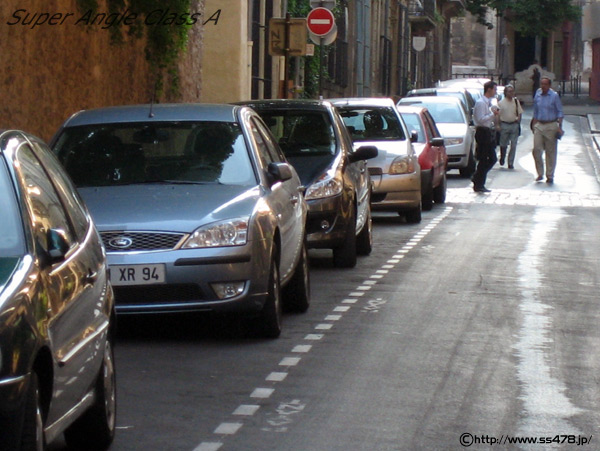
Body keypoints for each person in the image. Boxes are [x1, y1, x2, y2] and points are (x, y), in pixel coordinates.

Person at [531, 77, 564, 184]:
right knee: (536, 149)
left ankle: (550, 175)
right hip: (539, 124)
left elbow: (559, 112)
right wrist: (534, 123)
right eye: (542, 84)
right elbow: (535, 110)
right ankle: (540, 173)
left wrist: (559, 127)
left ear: (549, 85)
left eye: (545, 84)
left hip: (551, 124)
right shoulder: (538, 94)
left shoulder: (554, 96)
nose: (543, 86)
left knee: (550, 151)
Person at [471, 80, 499, 193]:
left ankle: (477, 178)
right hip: (482, 131)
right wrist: (493, 115)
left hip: (487, 131)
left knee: (491, 158)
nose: (495, 92)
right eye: (494, 89)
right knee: (484, 158)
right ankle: (479, 182)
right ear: (489, 89)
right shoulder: (481, 103)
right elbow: (481, 119)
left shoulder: (487, 102)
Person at [497, 84, 523, 169]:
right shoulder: (501, 103)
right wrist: (498, 125)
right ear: (505, 92)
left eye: (512, 91)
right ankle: (503, 157)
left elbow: (519, 112)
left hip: (514, 125)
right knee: (503, 144)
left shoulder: (516, 101)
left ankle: (510, 162)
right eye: (509, 91)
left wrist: (518, 119)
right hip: (504, 124)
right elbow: (497, 115)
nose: (511, 93)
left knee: (514, 145)